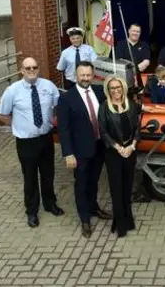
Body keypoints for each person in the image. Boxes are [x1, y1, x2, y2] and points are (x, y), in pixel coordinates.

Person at [0, 57, 64, 228]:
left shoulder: (48, 86)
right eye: (28, 68)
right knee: (30, 177)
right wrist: (17, 125)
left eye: (34, 67)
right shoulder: (12, 91)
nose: (31, 70)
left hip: (46, 138)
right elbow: (1, 115)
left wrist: (54, 120)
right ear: (22, 70)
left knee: (48, 174)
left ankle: (50, 204)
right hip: (26, 141)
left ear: (38, 69)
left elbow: (58, 107)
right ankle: (32, 211)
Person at [56, 61, 112, 238]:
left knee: (94, 180)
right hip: (79, 151)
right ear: (76, 75)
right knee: (81, 184)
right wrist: (68, 153)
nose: (86, 78)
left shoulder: (98, 92)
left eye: (88, 75)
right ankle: (85, 219)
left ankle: (94, 208)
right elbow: (63, 129)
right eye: (82, 75)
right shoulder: (66, 98)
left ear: (93, 74)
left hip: (99, 146)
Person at [98, 76, 143, 238]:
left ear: (123, 88)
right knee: (116, 189)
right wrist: (118, 148)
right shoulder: (104, 107)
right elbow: (103, 132)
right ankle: (120, 225)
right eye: (112, 88)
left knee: (127, 187)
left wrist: (132, 146)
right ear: (108, 90)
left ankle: (127, 220)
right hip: (114, 154)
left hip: (130, 151)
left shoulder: (130, 105)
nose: (116, 90)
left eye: (118, 87)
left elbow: (137, 128)